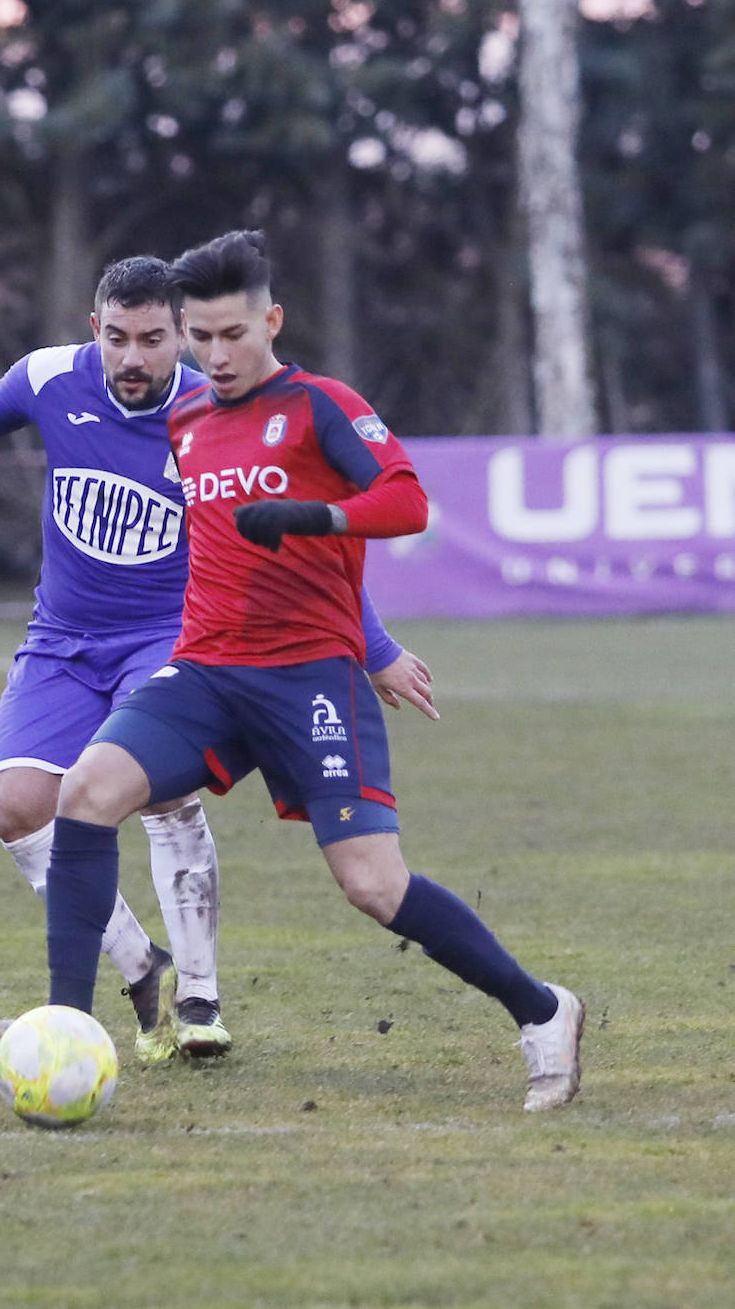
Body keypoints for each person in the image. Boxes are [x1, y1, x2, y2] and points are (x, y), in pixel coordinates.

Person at [0, 255, 436, 1065]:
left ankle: (199, 1001)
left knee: (154, 792)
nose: (133, 357)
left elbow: (294, 548)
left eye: (153, 339)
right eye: (117, 338)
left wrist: (372, 648)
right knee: (16, 806)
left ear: (181, 341)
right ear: (95, 330)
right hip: (61, 639)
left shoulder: (216, 411)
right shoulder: (53, 377)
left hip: (175, 635)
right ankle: (143, 971)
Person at [43, 231, 585, 1112]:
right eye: (201, 337)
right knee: (86, 791)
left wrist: (316, 517)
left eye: (232, 335)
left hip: (308, 682)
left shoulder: (322, 405)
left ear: (271, 321)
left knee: (372, 886)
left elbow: (405, 501)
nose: (215, 356)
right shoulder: (183, 422)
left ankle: (541, 1010)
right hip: (206, 673)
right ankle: (64, 1028)